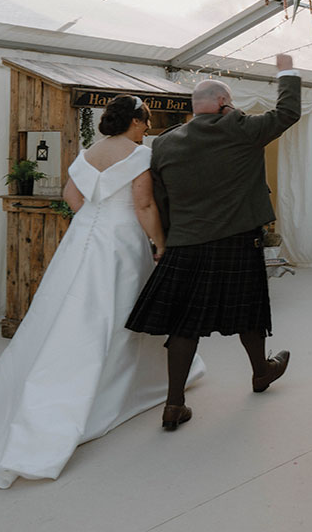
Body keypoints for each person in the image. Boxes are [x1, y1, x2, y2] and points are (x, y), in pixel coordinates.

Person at [0, 96, 206, 487]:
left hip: (85, 235)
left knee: (68, 313)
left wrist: (92, 218)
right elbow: (144, 203)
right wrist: (160, 243)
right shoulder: (138, 155)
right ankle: (117, 389)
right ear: (134, 121)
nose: (146, 129)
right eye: (145, 122)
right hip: (119, 243)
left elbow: (71, 196)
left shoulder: (88, 153)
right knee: (117, 315)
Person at [126, 57, 301, 431]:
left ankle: (174, 405)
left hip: (186, 244)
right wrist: (286, 70)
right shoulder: (241, 128)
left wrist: (166, 242)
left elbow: (161, 200)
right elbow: (288, 111)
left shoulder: (166, 143)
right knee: (247, 311)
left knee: (185, 323)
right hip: (237, 241)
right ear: (224, 103)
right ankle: (260, 373)